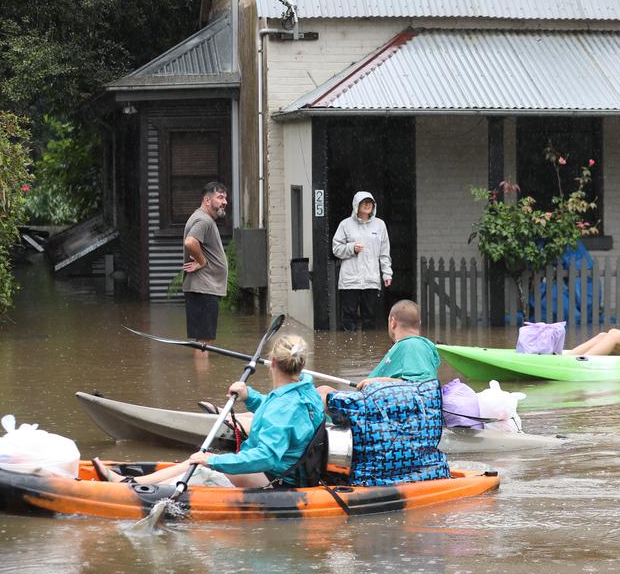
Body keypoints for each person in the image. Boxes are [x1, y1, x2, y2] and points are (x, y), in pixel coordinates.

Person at [93, 334, 324, 488]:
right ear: (301, 364)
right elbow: (279, 415)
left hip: (277, 477)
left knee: (201, 466)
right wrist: (250, 397)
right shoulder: (305, 390)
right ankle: (132, 481)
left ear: (272, 362)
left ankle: (131, 486)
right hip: (287, 469)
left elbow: (266, 456)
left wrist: (214, 461)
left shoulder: (284, 408)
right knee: (194, 462)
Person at [317, 299, 438, 406]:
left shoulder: (413, 345)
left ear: (393, 322)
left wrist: (375, 382)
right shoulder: (414, 346)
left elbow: (420, 386)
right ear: (419, 323)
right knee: (324, 391)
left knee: (321, 394)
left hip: (384, 410)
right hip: (381, 404)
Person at [332, 191, 392, 331]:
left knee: (369, 317)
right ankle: (348, 349)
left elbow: (384, 252)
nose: (367, 205)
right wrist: (351, 248)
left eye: (370, 202)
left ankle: (369, 350)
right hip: (349, 280)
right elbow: (336, 249)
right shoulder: (345, 225)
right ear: (356, 205)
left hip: (371, 279)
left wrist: (387, 273)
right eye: (364, 202)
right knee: (348, 317)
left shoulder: (380, 225)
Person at [182, 182, 229, 352]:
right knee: (204, 343)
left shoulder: (203, 218)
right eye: (220, 197)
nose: (225, 202)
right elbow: (190, 242)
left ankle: (201, 377)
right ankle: (202, 378)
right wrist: (202, 261)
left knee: (203, 341)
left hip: (203, 289)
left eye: (225, 198)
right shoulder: (203, 220)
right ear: (207, 200)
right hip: (204, 289)